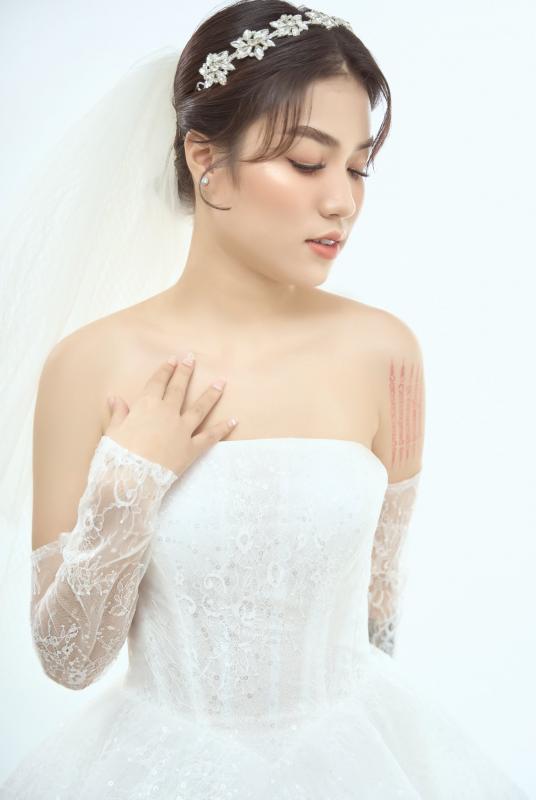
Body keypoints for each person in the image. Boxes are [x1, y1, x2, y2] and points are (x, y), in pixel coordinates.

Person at [0, 1, 528, 797]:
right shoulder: (90, 364)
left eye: (357, 168)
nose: (342, 202)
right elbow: (67, 661)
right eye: (308, 163)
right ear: (205, 159)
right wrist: (130, 480)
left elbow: (378, 616)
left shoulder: (386, 355)